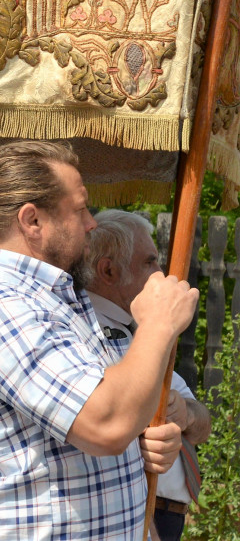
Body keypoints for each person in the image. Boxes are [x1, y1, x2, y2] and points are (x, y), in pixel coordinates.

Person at [0, 140, 198, 540]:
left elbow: (107, 412)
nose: (91, 223)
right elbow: (105, 425)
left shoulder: (51, 297)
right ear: (31, 220)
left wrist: (142, 442)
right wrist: (158, 325)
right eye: (79, 209)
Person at [86, 209, 211, 541]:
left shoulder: (137, 331)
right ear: (108, 270)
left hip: (163, 513)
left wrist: (184, 414)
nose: (161, 275)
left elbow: (202, 425)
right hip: (142, 516)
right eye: (150, 262)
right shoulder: (88, 336)